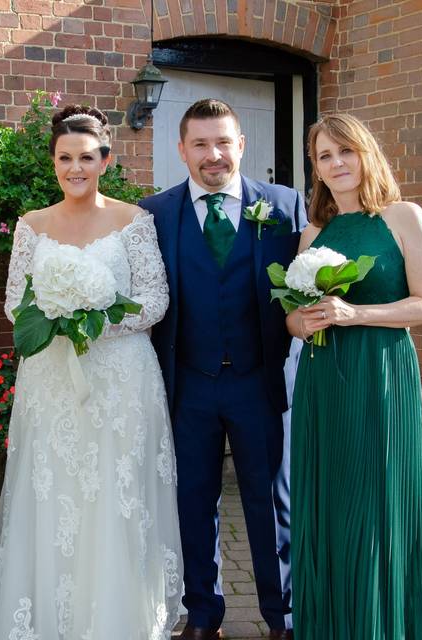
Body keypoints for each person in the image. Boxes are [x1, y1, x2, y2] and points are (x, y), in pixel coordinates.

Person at [0, 105, 182, 639]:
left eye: (86, 158)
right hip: (51, 382)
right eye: (65, 158)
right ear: (53, 161)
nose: (75, 168)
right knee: (55, 494)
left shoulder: (134, 221)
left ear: (105, 161)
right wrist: (59, 322)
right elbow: (16, 305)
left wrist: (92, 322)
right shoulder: (31, 226)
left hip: (120, 381)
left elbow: (155, 301)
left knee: (114, 494)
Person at [140, 98, 305, 640]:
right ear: (182, 149)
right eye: (201, 144)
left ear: (241, 144)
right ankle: (203, 613)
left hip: (260, 382)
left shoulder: (284, 206)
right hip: (188, 383)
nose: (214, 155)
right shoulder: (155, 214)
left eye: (224, 142)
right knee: (192, 501)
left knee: (270, 500)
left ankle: (281, 615)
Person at [286, 113, 422, 639]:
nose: (336, 164)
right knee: (327, 505)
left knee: (376, 503)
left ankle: (383, 625)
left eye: (344, 151)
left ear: (366, 153)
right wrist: (301, 321)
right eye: (324, 156)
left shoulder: (401, 216)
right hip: (322, 380)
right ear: (317, 169)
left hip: (380, 377)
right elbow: (293, 316)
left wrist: (357, 315)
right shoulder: (314, 230)